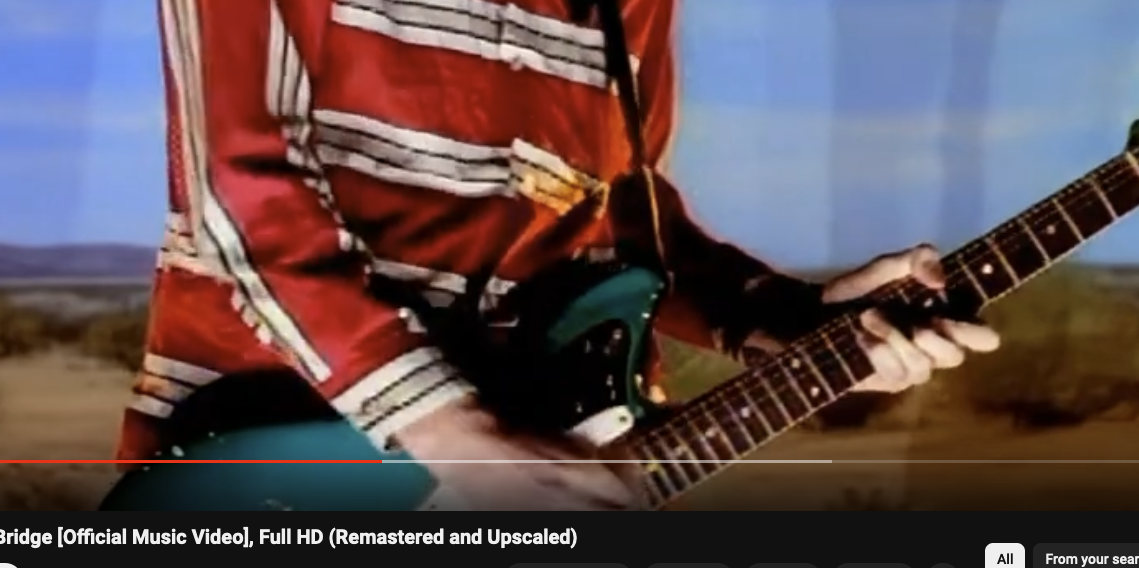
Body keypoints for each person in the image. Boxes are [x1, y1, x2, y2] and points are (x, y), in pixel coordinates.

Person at [121, 0, 1001, 510]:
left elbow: (618, 211)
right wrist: (451, 434)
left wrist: (779, 318)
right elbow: (244, 188)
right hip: (280, 467)